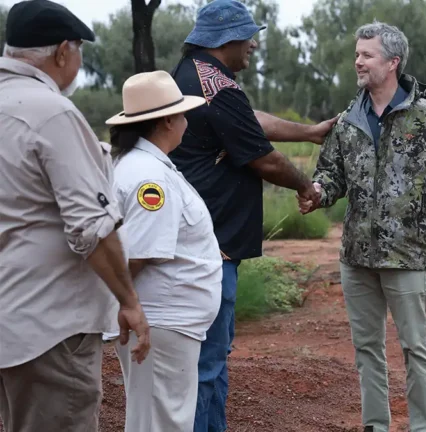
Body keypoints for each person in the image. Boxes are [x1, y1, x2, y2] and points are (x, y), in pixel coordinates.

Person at [167, 1, 337, 430]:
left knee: (214, 361)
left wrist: (310, 132)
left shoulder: (199, 75)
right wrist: (306, 186)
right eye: (249, 35)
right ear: (228, 39)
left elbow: (248, 121)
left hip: (207, 245)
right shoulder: (214, 86)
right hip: (211, 249)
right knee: (206, 367)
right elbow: (264, 159)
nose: (255, 44)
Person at [299, 21, 426, 432]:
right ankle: (375, 426)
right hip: (356, 257)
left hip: (406, 255)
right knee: (367, 351)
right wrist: (317, 193)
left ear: (392, 62)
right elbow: (331, 176)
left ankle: (422, 428)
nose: (358, 61)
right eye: (357, 54)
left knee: (415, 348)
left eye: (367, 55)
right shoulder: (348, 121)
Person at [0, 1, 151, 431]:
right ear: (63, 52)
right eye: (79, 51)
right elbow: (92, 228)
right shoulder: (51, 113)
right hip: (48, 326)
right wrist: (129, 301)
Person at [104, 70, 221, 432]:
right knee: (162, 422)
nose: (186, 121)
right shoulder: (149, 177)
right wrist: (126, 303)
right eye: (183, 114)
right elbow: (138, 254)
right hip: (161, 319)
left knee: (155, 420)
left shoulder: (143, 166)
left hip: (164, 319)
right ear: (168, 120)